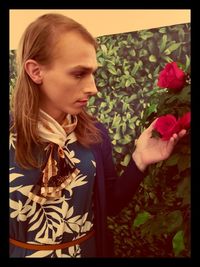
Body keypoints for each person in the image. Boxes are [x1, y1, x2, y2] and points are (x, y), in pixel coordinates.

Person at [9, 13, 187, 258]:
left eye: (93, 73)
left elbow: (111, 204)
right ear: (36, 71)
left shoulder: (95, 134)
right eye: (79, 74)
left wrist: (140, 160)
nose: (93, 88)